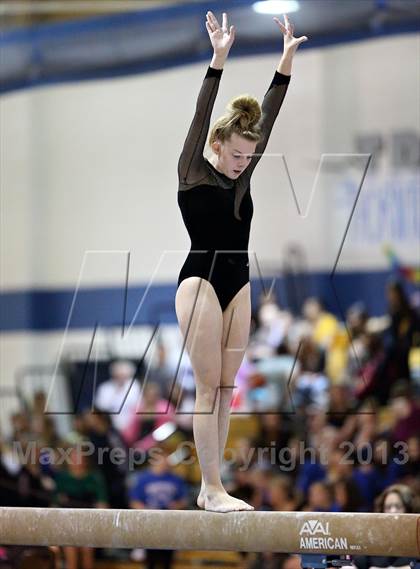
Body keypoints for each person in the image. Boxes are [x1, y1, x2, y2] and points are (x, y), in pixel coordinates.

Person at [175, 10, 307, 513]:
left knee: (227, 389)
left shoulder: (243, 175)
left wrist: (285, 63)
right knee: (208, 386)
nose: (242, 163)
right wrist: (219, 59)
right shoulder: (193, 169)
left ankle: (218, 487)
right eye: (235, 156)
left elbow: (267, 117)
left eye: (249, 158)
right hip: (200, 283)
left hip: (239, 281)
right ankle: (209, 488)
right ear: (217, 145)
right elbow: (200, 112)